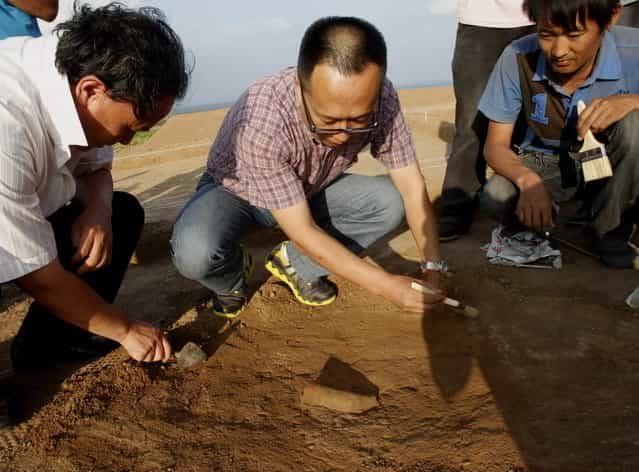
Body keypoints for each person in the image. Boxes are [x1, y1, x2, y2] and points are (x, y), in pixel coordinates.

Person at [171, 16, 445, 319]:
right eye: (327, 122)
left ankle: (295, 264)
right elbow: (301, 228)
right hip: (237, 193)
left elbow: (412, 186)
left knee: (390, 201)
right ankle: (230, 281)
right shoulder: (262, 121)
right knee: (194, 251)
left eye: (358, 122)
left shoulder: (382, 98)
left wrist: (433, 266)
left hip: (311, 187)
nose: (342, 135)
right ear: (300, 86)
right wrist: (386, 285)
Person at [0, 2, 189, 425]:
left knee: (121, 213)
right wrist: (124, 329)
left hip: (19, 201)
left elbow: (97, 167)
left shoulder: (72, 79)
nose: (125, 142)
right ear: (91, 90)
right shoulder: (6, 125)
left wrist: (99, 209)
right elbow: (38, 277)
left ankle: (50, 345)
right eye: (131, 128)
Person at [480, 0, 639, 269]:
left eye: (574, 35)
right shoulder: (517, 57)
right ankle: (547, 219)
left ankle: (609, 231)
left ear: (610, 18)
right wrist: (528, 181)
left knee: (636, 125)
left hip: (615, 163)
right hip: (547, 163)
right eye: (546, 35)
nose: (559, 51)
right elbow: (495, 145)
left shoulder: (634, 51)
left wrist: (634, 100)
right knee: (496, 195)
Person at [438, 0, 535, 242]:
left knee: (537, 114)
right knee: (471, 120)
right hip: (481, 19)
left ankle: (527, 198)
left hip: (541, 16)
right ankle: (457, 203)